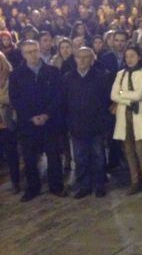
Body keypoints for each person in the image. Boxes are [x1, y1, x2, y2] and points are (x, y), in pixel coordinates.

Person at [9, 39, 65, 201]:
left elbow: (58, 95)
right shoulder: (16, 75)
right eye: (28, 52)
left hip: (50, 121)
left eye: (35, 50)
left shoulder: (53, 72)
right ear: (23, 54)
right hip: (28, 124)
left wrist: (47, 114)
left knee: (54, 156)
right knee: (29, 158)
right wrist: (31, 117)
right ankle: (33, 188)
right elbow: (16, 99)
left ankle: (56, 186)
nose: (33, 54)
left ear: (39, 50)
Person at [63, 47, 111, 198]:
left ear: (92, 60)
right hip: (77, 124)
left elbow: (106, 101)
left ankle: (99, 184)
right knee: (80, 157)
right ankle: (84, 185)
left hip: (96, 124)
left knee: (98, 156)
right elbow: (64, 102)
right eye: (79, 57)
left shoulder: (101, 77)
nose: (82, 60)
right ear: (75, 59)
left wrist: (104, 121)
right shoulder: (67, 78)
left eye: (86, 57)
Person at [111, 46, 142, 197]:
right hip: (125, 114)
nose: (129, 59)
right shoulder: (120, 74)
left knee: (141, 150)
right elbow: (113, 95)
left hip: (140, 114)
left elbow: (140, 94)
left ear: (139, 57)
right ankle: (135, 180)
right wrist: (127, 98)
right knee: (129, 150)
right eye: (127, 56)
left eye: (132, 56)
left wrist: (123, 94)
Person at [0, 51, 20, 193]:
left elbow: (13, 98)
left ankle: (16, 182)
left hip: (8, 120)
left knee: (11, 152)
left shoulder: (12, 77)